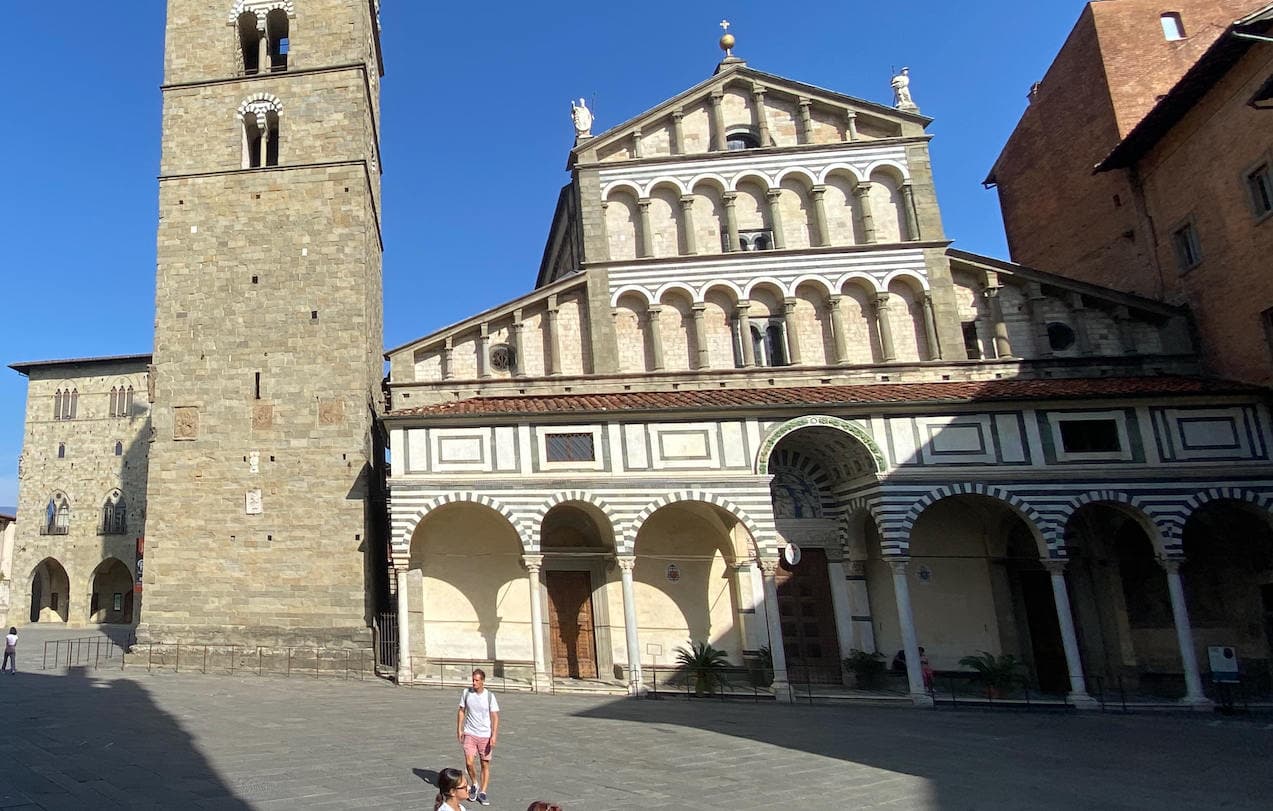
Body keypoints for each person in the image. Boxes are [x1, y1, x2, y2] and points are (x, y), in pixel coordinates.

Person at [457, 668, 500, 806]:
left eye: (476, 680)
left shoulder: (489, 696)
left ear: (482, 681)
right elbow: (461, 711)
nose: (474, 683)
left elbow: (494, 716)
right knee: (469, 762)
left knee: (484, 764)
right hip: (470, 732)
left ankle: (483, 792)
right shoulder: (466, 693)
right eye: (473, 680)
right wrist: (459, 729)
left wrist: (494, 735)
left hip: (485, 735)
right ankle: (474, 783)